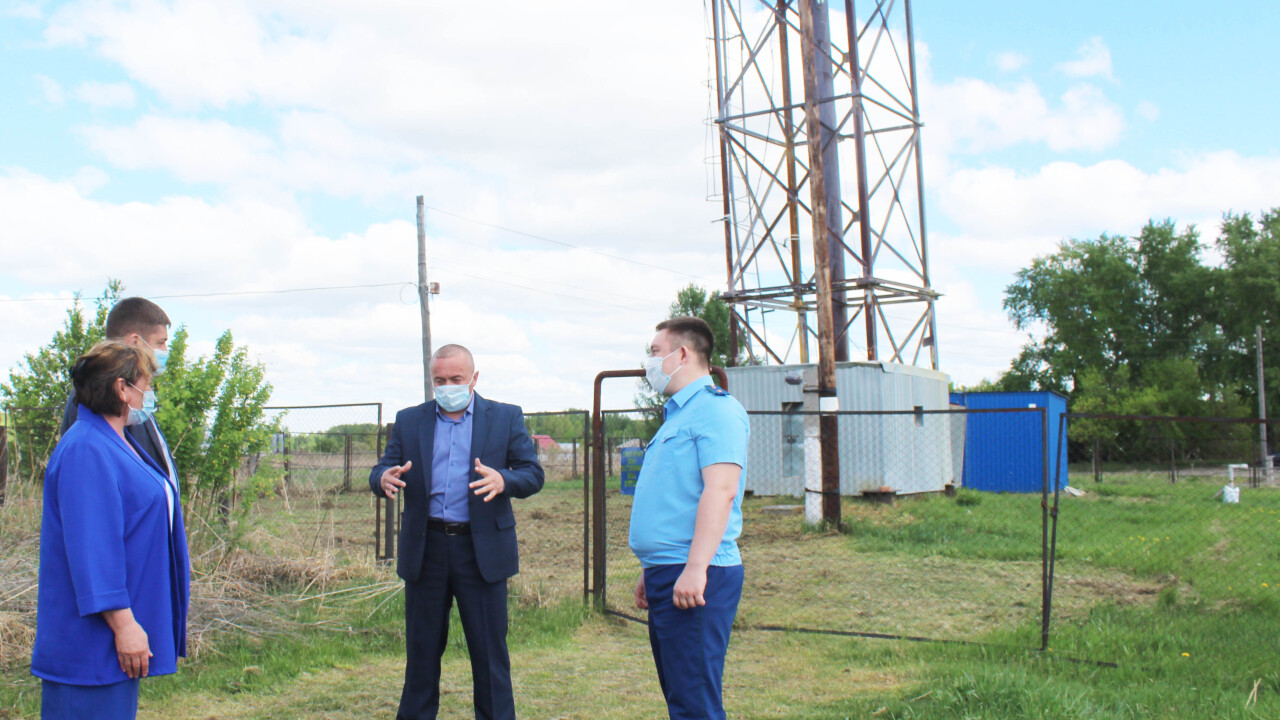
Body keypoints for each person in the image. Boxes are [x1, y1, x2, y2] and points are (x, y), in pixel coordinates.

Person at [370, 344, 544, 720]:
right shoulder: (410, 420)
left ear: (474, 379)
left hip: (481, 554)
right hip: (426, 551)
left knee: (489, 657)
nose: (447, 386)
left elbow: (533, 474)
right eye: (439, 380)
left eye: (455, 379)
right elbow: (383, 467)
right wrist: (381, 477)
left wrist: (504, 479)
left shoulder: (504, 418)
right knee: (421, 655)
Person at [32, 340, 191, 720]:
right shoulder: (86, 448)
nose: (150, 392)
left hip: (110, 649)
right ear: (123, 388)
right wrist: (125, 626)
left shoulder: (115, 441)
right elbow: (93, 551)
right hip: (91, 650)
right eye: (146, 383)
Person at [629, 316, 749, 720]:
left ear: (682, 353)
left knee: (694, 702)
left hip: (698, 574)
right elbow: (676, 497)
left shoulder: (717, 412)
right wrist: (652, 566)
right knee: (681, 694)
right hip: (669, 569)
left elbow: (721, 491)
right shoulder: (678, 415)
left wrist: (695, 568)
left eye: (655, 353)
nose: (650, 362)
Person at [61, 297, 176, 480]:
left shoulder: (133, 393)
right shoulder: (97, 398)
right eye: (160, 342)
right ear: (136, 342)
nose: (165, 350)